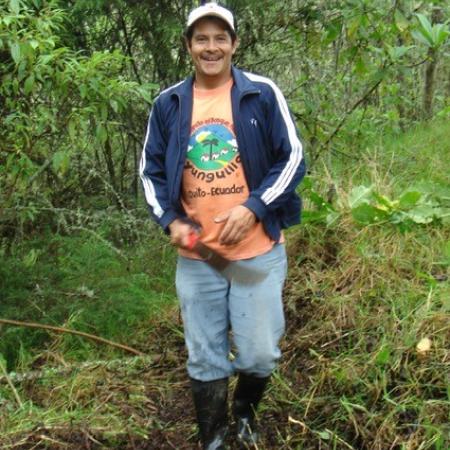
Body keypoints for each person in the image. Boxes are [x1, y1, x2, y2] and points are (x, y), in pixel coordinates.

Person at [140, 2, 305, 449]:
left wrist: (254, 207)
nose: (210, 47)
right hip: (199, 256)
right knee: (205, 355)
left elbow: (292, 157)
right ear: (189, 47)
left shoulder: (261, 93)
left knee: (259, 351)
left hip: (257, 250)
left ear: (234, 43)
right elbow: (149, 171)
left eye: (219, 38)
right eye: (201, 39)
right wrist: (169, 219)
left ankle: (245, 412)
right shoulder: (169, 103)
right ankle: (211, 436)